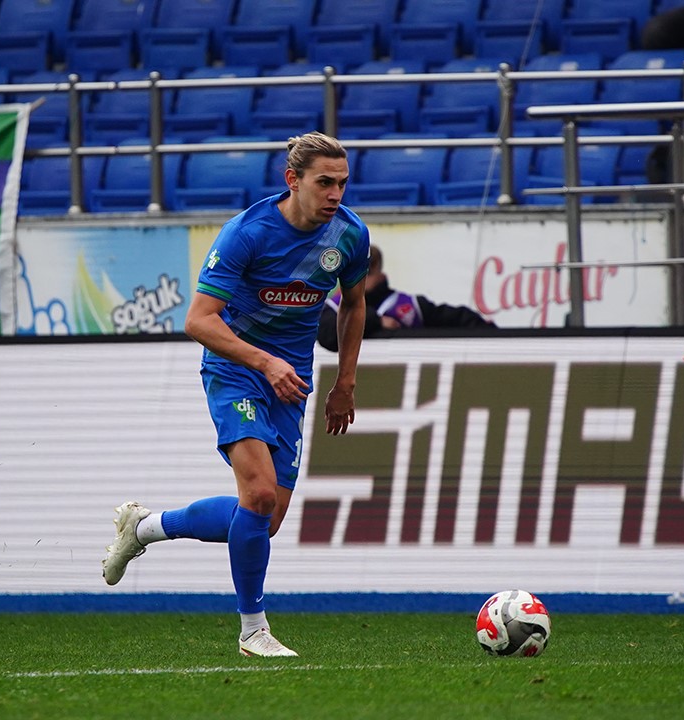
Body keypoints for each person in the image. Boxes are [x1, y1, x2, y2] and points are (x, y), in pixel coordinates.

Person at [101, 132, 370, 657]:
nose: (335, 194)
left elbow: (354, 304)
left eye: (342, 183)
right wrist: (263, 360)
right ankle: (253, 631)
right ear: (292, 180)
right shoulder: (247, 233)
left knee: (262, 521)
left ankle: (146, 527)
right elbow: (198, 320)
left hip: (290, 380)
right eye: (324, 182)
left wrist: (346, 382)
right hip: (235, 368)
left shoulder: (349, 235)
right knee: (260, 494)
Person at [316, 244, 496, 352]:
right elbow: (328, 336)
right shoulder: (333, 307)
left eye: (367, 272)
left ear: (380, 272)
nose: (359, 279)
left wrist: (493, 334)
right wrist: (375, 321)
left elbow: (457, 318)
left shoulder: (411, 306)